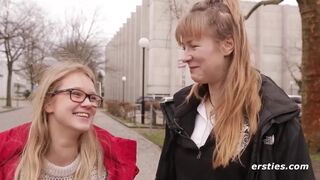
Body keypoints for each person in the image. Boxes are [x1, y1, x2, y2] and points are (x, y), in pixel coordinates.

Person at [156, 0, 315, 180]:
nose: (185, 57)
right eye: (183, 47)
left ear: (228, 45)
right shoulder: (180, 113)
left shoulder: (274, 121)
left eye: (194, 46)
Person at [0, 62, 138, 180]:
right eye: (76, 94)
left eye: (92, 97)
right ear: (48, 103)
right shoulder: (12, 166)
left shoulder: (108, 168)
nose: (88, 103)